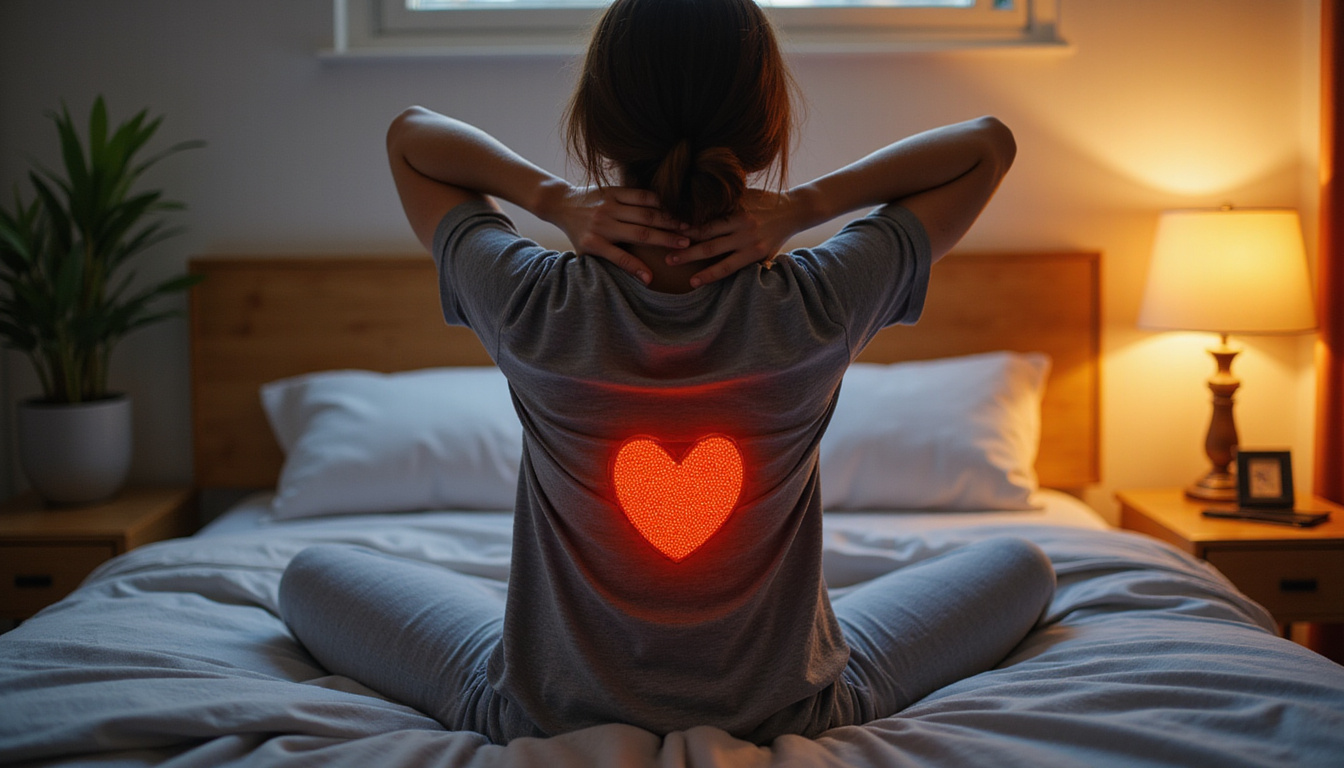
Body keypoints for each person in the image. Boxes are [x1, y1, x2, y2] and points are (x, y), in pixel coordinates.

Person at [279, 0, 1054, 746]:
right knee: (1023, 563)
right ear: (768, 126)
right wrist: (808, 205)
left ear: (595, 124)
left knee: (308, 575)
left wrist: (552, 200)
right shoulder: (819, 303)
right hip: (792, 713)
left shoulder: (531, 303)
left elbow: (411, 138)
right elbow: (986, 146)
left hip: (544, 716)